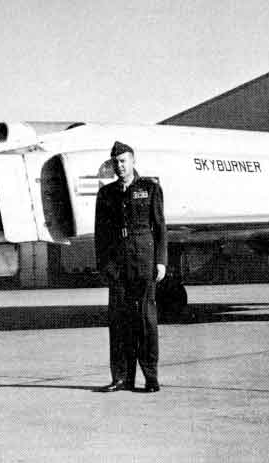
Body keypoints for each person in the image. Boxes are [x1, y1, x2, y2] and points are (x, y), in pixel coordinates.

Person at [95, 140, 167, 393]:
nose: (119, 166)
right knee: (118, 322)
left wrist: (161, 260)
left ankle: (151, 378)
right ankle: (121, 378)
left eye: (123, 161)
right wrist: (103, 265)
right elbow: (101, 234)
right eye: (116, 162)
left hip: (143, 262)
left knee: (146, 320)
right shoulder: (106, 194)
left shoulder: (150, 188)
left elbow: (159, 227)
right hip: (117, 265)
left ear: (133, 161)